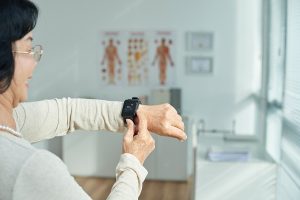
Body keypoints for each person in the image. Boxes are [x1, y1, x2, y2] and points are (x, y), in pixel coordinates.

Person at [0, 1, 186, 200]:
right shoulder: (32, 167)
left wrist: (138, 112)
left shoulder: (11, 123)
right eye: (29, 49)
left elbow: (67, 113)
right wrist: (133, 164)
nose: (35, 61)